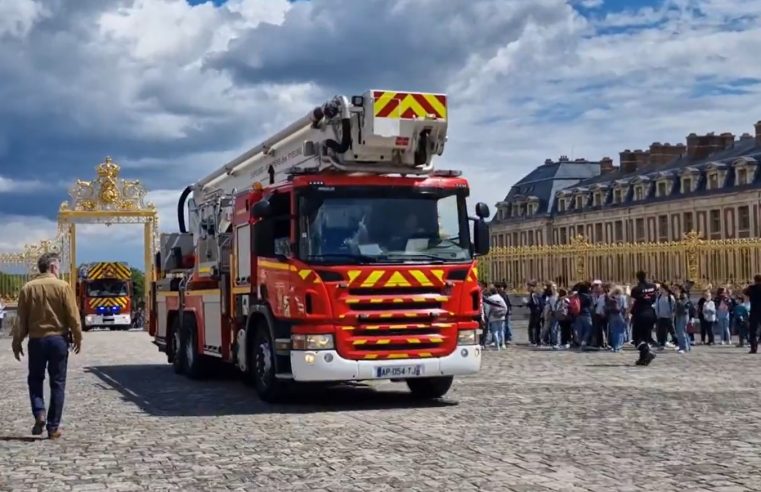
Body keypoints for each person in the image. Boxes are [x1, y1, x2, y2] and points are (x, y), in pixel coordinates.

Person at [11, 253, 82, 439]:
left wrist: (17, 341)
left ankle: (39, 412)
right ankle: (53, 427)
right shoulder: (63, 287)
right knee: (57, 383)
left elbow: (21, 318)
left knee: (35, 379)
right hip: (58, 340)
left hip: (36, 340)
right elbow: (73, 316)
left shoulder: (28, 288)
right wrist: (78, 336)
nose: (59, 270)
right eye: (58, 266)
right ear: (52, 267)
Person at [630, 270, 657, 366]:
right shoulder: (653, 287)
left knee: (636, 338)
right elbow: (654, 299)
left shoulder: (636, 289)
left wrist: (630, 313)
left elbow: (632, 303)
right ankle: (643, 358)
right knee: (645, 337)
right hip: (651, 313)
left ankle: (647, 351)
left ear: (637, 277)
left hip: (640, 314)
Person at [605, 285, 628, 352]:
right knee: (620, 332)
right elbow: (625, 307)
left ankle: (615, 346)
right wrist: (625, 316)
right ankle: (619, 347)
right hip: (620, 315)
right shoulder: (623, 297)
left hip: (612, 316)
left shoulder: (610, 297)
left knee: (614, 332)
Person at [743, 275, 761, 353]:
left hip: (754, 311)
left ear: (755, 280)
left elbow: (744, 291)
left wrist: (750, 285)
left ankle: (753, 348)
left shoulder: (752, 288)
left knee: (752, 331)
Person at [654, 284, 675, 350]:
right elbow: (657, 307)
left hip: (668, 317)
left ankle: (677, 343)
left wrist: (672, 315)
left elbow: (673, 306)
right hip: (661, 317)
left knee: (672, 331)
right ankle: (662, 344)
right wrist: (657, 315)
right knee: (661, 332)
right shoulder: (659, 297)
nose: (659, 289)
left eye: (660, 288)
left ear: (664, 289)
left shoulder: (670, 297)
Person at [673, 285, 691, 354]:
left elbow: (683, 306)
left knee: (681, 331)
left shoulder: (684, 296)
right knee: (680, 331)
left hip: (683, 315)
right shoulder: (679, 296)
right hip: (678, 315)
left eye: (676, 289)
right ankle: (685, 346)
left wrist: (677, 299)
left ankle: (684, 347)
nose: (674, 291)